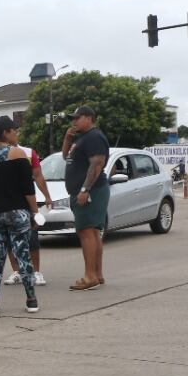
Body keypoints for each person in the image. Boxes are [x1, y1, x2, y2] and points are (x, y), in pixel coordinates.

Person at [0, 116, 39, 315]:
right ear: (5, 133)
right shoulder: (18, 154)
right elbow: (28, 188)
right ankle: (31, 300)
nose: (16, 134)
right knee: (23, 254)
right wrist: (35, 211)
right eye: (14, 130)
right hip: (16, 212)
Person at [62, 105, 109, 290]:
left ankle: (90, 277)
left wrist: (84, 189)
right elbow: (66, 157)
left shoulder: (94, 137)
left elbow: (97, 165)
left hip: (91, 191)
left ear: (89, 118)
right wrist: (68, 138)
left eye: (77, 117)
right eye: (73, 118)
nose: (74, 121)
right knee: (93, 232)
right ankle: (97, 274)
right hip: (86, 190)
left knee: (86, 232)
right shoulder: (82, 138)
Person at [3, 134, 52, 287]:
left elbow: (38, 175)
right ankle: (17, 271)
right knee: (9, 239)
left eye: (13, 131)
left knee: (32, 238)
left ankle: (36, 272)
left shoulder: (29, 153)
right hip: (5, 202)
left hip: (26, 201)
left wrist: (47, 196)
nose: (11, 135)